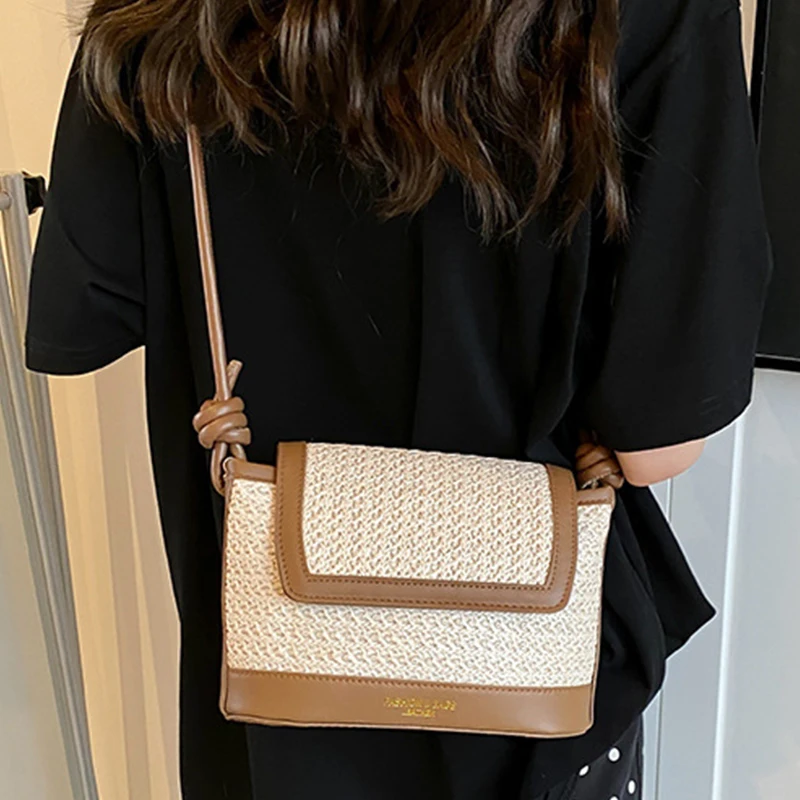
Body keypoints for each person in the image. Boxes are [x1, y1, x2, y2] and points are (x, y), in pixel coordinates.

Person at [25, 0, 772, 797]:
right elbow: (656, 446)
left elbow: (92, 312)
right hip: (523, 681)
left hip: (278, 679)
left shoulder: (161, 10)